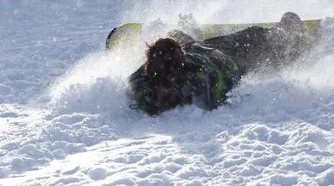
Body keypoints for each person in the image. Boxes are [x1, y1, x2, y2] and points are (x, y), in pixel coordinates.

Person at [128, 12, 313, 115]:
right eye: (159, 83)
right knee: (176, 36)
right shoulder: (144, 80)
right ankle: (187, 33)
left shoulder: (203, 74)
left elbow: (221, 98)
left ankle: (288, 31)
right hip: (206, 52)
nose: (162, 88)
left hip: (220, 55)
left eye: (166, 84)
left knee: (254, 37)